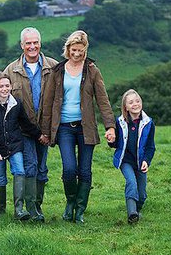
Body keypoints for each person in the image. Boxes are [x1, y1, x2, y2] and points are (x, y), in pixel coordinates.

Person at [41, 30, 116, 223]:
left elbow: (103, 100)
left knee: (84, 171)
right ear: (67, 49)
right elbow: (48, 104)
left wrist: (110, 126)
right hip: (64, 127)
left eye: (81, 50)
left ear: (85, 49)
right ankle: (70, 202)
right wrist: (45, 130)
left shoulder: (92, 70)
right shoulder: (58, 71)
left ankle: (80, 210)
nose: (77, 54)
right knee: (69, 169)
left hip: (86, 127)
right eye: (74, 50)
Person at [3, 27, 57, 222]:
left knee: (42, 169)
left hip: (46, 129)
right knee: (31, 165)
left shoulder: (53, 67)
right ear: (21, 45)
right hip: (24, 131)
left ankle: (37, 206)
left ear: (40, 44)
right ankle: (31, 210)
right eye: (28, 43)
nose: (32, 46)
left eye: (35, 42)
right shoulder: (11, 70)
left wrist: (51, 130)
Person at [0, 72, 46, 220]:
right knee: (0, 179)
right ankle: (1, 212)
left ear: (11, 87)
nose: (4, 89)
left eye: (7, 86)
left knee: (20, 172)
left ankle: (19, 210)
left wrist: (39, 135)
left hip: (15, 145)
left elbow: (26, 124)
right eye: (1, 86)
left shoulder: (16, 104)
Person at [108, 89, 156, 224]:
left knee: (142, 195)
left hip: (140, 162)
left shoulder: (149, 123)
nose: (135, 104)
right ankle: (132, 213)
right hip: (126, 160)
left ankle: (137, 210)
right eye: (131, 102)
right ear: (126, 107)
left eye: (137, 101)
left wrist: (146, 160)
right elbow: (116, 144)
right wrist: (111, 140)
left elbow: (151, 147)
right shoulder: (120, 122)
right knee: (131, 183)